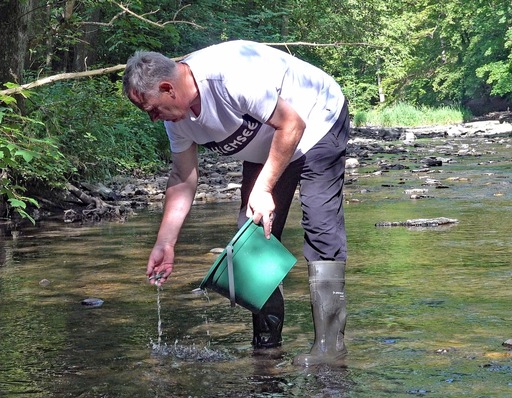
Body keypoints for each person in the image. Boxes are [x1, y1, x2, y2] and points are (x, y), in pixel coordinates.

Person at [122, 40, 349, 366]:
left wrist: (264, 187)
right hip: (271, 139)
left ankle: (330, 350)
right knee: (252, 239)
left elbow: (293, 124)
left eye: (152, 110)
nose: (154, 119)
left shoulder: (230, 79)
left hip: (315, 119)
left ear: (168, 88)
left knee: (320, 227)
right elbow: (182, 178)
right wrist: (165, 242)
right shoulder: (177, 119)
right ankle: (267, 352)